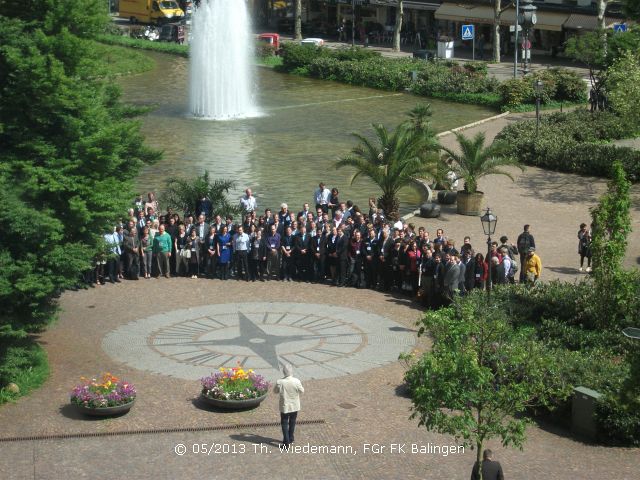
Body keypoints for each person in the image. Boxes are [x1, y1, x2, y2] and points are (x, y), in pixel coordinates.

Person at [274, 364, 304, 448]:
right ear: (292, 371)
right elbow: (302, 391)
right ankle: (291, 438)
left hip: (285, 406)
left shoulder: (280, 382)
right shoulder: (296, 381)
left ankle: (286, 442)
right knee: (292, 421)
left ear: (283, 372)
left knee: (284, 423)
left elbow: (275, 391)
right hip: (294, 405)